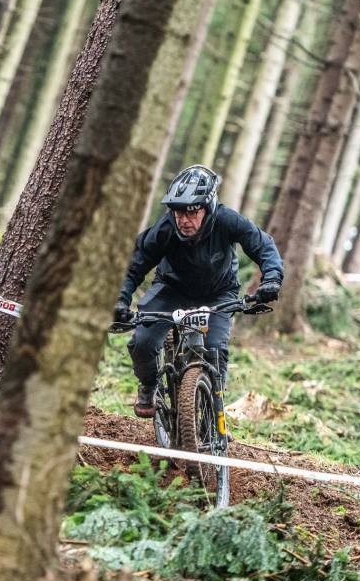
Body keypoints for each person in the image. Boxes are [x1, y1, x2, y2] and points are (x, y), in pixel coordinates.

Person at [114, 165, 284, 418]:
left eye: (192, 212)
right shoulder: (164, 229)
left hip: (219, 293)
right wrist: (120, 299)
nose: (184, 220)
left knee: (214, 348)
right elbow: (132, 267)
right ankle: (149, 385)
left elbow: (263, 245)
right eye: (178, 212)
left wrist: (271, 280)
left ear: (209, 207)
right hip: (170, 290)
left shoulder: (227, 220)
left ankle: (214, 420)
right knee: (143, 342)